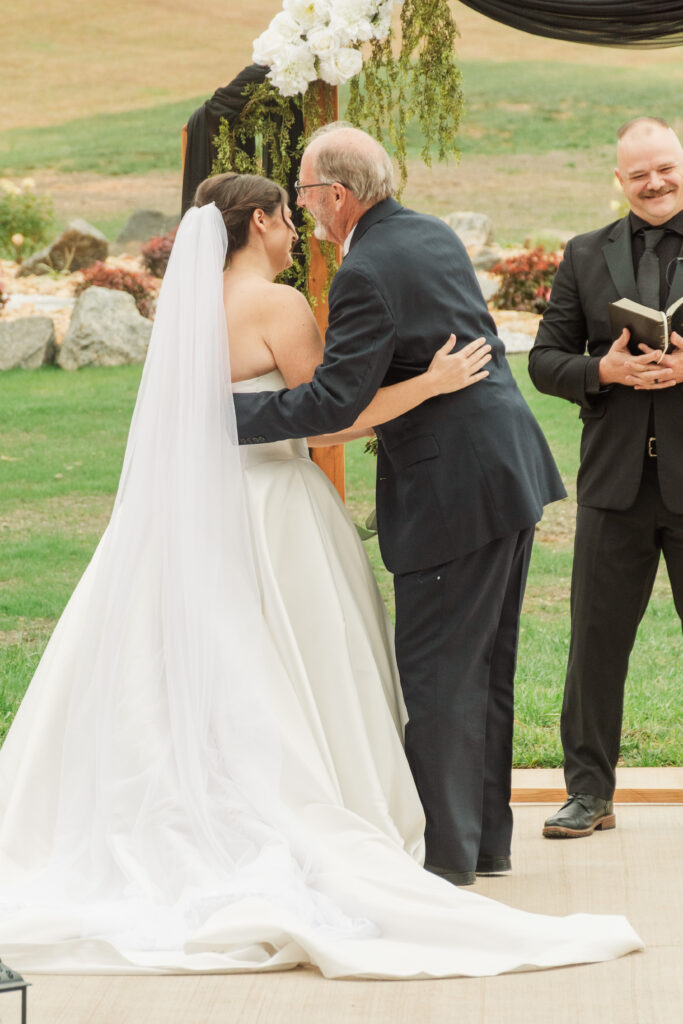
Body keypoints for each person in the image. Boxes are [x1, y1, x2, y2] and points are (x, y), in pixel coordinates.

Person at [0, 174, 641, 977]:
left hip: (195, 505)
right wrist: (431, 384)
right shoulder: (277, 305)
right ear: (261, 220)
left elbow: (198, 410)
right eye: (286, 218)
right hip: (273, 505)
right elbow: (336, 413)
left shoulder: (185, 308)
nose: (295, 232)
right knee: (301, 659)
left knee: (194, 659)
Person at [233, 123, 567, 885]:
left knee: (439, 676)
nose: (303, 207)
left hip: (453, 493)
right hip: (503, 474)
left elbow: (329, 404)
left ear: (339, 196)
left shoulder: (365, 272)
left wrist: (224, 415)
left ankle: (446, 863)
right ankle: (484, 843)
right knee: (483, 668)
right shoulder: (429, 234)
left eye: (307, 193)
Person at [529, 116, 683, 839]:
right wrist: (604, 369)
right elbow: (542, 359)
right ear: (617, 180)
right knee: (594, 645)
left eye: (665, 168)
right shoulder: (584, 254)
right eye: (638, 173)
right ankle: (587, 794)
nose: (654, 182)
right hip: (613, 486)